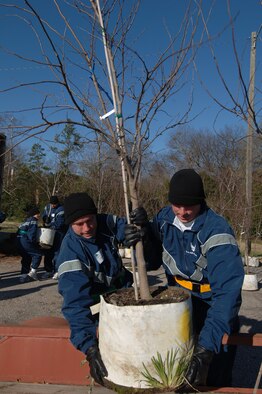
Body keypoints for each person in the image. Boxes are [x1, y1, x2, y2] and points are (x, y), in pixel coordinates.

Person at [125, 168, 244, 391]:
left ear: (201, 201)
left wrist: (205, 350)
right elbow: (151, 263)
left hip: (211, 305)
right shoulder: (163, 219)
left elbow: (226, 296)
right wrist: (144, 236)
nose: (182, 212)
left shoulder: (217, 232)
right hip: (179, 306)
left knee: (213, 376)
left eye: (189, 206)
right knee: (177, 374)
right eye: (176, 205)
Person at [56, 192, 133, 385]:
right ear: (70, 224)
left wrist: (138, 230)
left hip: (126, 294)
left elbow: (124, 227)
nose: (87, 228)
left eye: (90, 221)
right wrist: (90, 348)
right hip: (100, 308)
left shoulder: (105, 222)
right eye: (79, 224)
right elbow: (75, 306)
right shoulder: (70, 255)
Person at [16, 206, 43, 283]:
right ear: (34, 214)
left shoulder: (26, 221)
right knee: (38, 254)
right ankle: (33, 272)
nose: (39, 216)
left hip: (18, 240)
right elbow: (32, 235)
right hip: (25, 240)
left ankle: (23, 276)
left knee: (26, 257)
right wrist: (36, 244)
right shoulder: (33, 221)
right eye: (38, 214)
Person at [41, 195, 66, 279]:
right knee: (47, 251)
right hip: (48, 233)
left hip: (58, 233)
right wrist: (44, 219)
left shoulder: (61, 210)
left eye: (54, 204)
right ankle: (48, 270)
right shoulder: (47, 207)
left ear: (57, 203)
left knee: (57, 252)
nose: (52, 206)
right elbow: (43, 215)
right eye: (51, 204)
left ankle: (56, 271)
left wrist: (50, 224)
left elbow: (60, 223)